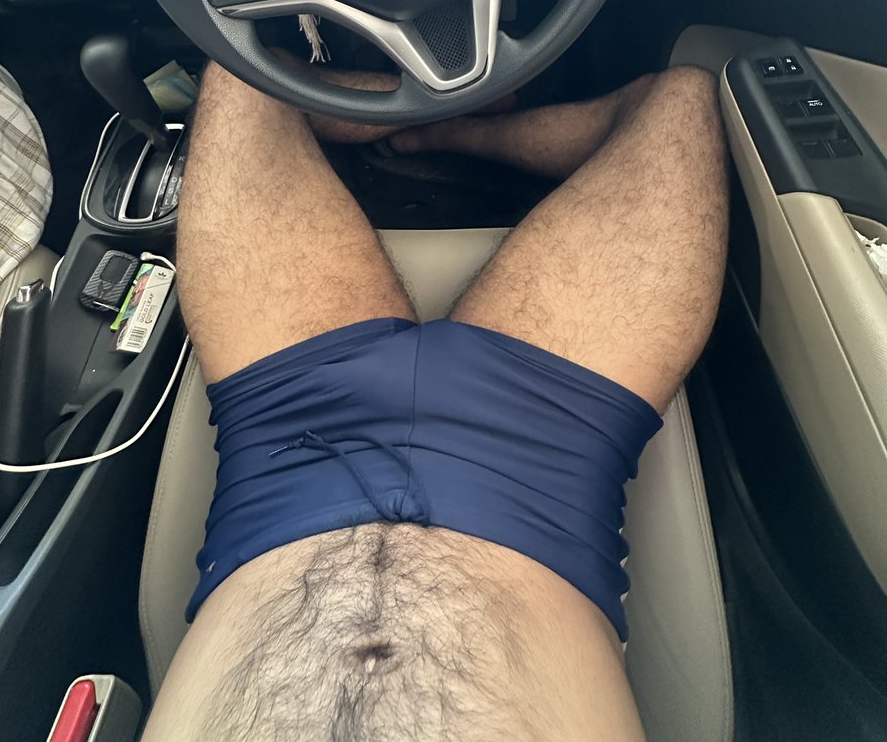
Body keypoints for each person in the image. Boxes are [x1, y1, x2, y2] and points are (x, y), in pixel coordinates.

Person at [142, 59, 728, 742]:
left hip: (287, 440)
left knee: (239, 75)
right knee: (677, 99)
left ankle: (452, 120)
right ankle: (460, 111)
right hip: (540, 467)